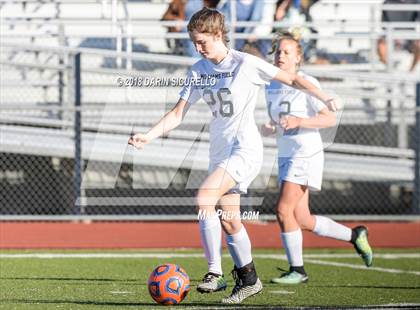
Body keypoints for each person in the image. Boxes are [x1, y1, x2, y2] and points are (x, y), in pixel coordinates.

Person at [129, 8, 337, 303]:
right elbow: (177, 114)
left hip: (245, 149)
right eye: (194, 42)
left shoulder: (245, 63)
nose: (198, 48)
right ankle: (249, 279)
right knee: (229, 220)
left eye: (203, 42)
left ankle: (214, 272)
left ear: (218, 35)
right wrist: (147, 136)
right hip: (219, 152)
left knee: (204, 198)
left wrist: (323, 95)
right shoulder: (198, 71)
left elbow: (291, 80)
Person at [260, 32, 373, 285]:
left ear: (298, 57)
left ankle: (297, 270)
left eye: (287, 52)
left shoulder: (306, 81)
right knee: (302, 219)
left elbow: (329, 118)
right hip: (287, 154)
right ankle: (355, 235)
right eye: (278, 51)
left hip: (305, 153)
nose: (281, 55)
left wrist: (300, 121)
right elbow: (281, 121)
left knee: (282, 210)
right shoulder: (271, 85)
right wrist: (270, 127)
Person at [377, 0, 419, 72]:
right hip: (391, 34)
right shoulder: (387, 2)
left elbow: (418, 23)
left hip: (410, 35)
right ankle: (391, 68)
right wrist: (394, 36)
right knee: (380, 44)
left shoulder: (416, 2)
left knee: (419, 44)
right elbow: (384, 24)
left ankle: (411, 70)